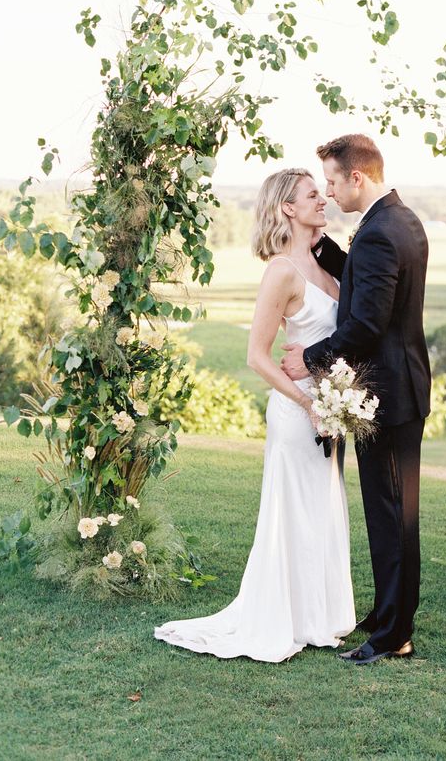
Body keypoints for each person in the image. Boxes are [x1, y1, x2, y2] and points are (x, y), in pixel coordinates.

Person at [154, 168, 355, 662]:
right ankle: (285, 619)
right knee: (294, 513)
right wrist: (309, 403)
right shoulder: (281, 271)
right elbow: (257, 356)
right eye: (312, 195)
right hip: (296, 412)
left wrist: (336, 398)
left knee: (322, 509)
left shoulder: (326, 267)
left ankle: (318, 618)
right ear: (288, 208)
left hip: (328, 408)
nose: (323, 199)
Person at [281, 134, 431, 665]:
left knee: (391, 518)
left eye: (332, 181)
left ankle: (393, 636)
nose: (329, 192)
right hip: (406, 389)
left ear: (357, 178)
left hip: (385, 397)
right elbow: (370, 287)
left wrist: (311, 358)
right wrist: (323, 248)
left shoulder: (378, 233)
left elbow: (367, 321)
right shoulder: (402, 221)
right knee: (396, 514)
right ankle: (390, 613)